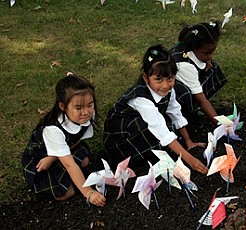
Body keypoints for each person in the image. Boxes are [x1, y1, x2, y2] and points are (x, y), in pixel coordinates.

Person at [103, 44, 208, 175]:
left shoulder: (169, 90)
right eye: (158, 79)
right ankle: (139, 161)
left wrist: (188, 141)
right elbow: (160, 129)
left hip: (144, 121)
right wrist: (190, 160)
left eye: (170, 78)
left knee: (166, 132)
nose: (165, 85)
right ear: (146, 78)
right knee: (156, 137)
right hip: (123, 134)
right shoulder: (141, 99)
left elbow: (175, 112)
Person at [21, 73, 106, 207]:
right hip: (41, 160)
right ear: (62, 106)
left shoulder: (86, 114)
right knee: (67, 193)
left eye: (90, 105)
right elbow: (69, 165)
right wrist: (88, 193)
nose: (85, 112)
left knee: (85, 162)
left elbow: (77, 140)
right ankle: (74, 179)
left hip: (61, 152)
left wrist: (54, 157)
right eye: (78, 108)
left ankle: (73, 176)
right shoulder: (53, 129)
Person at [170, 21, 227, 126]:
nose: (210, 56)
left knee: (212, 67)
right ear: (194, 47)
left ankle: (192, 107)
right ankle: (183, 117)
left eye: (212, 52)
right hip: (169, 97)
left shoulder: (188, 46)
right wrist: (223, 124)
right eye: (207, 53)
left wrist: (206, 59)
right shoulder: (184, 66)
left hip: (185, 79)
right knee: (187, 93)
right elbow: (202, 100)